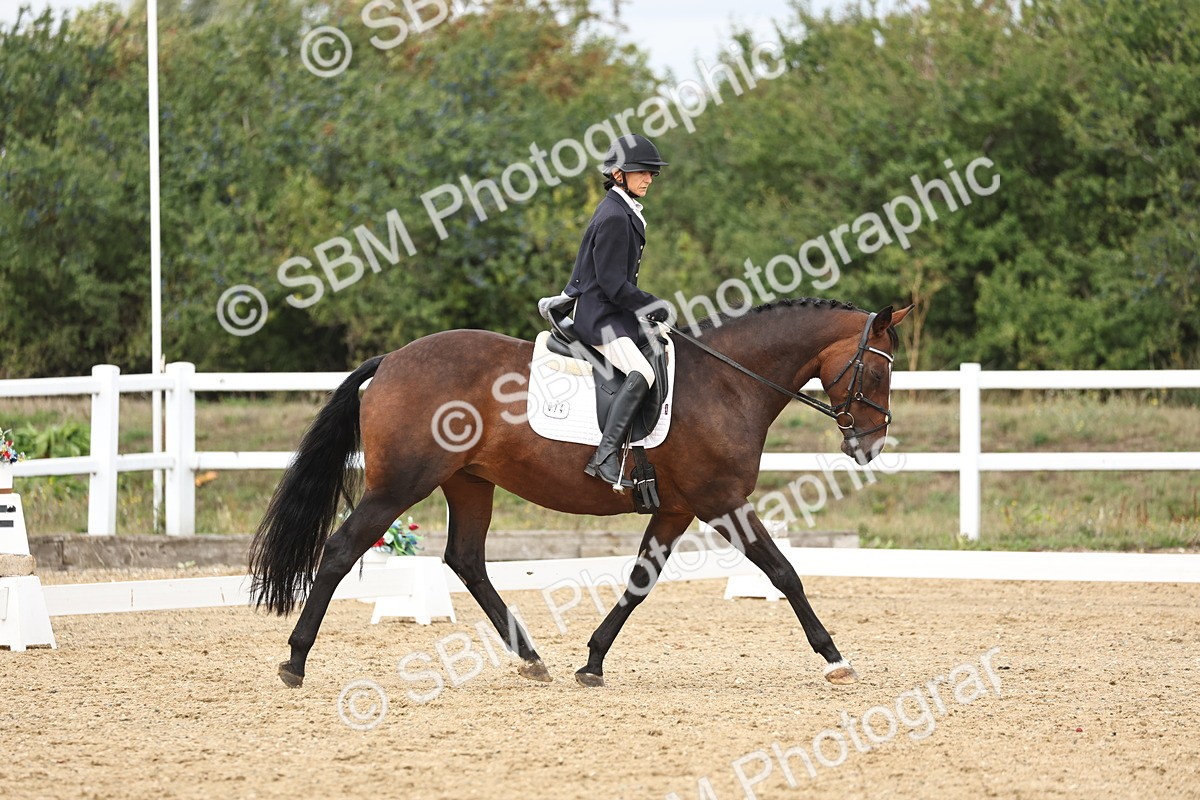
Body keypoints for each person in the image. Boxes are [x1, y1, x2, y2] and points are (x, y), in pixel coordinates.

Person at [538, 133, 671, 490]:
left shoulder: (622, 210)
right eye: (642, 172)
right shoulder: (614, 216)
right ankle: (605, 456)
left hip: (614, 315)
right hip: (600, 320)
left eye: (652, 173)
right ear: (618, 174)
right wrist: (652, 305)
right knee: (643, 372)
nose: (649, 179)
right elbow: (613, 285)